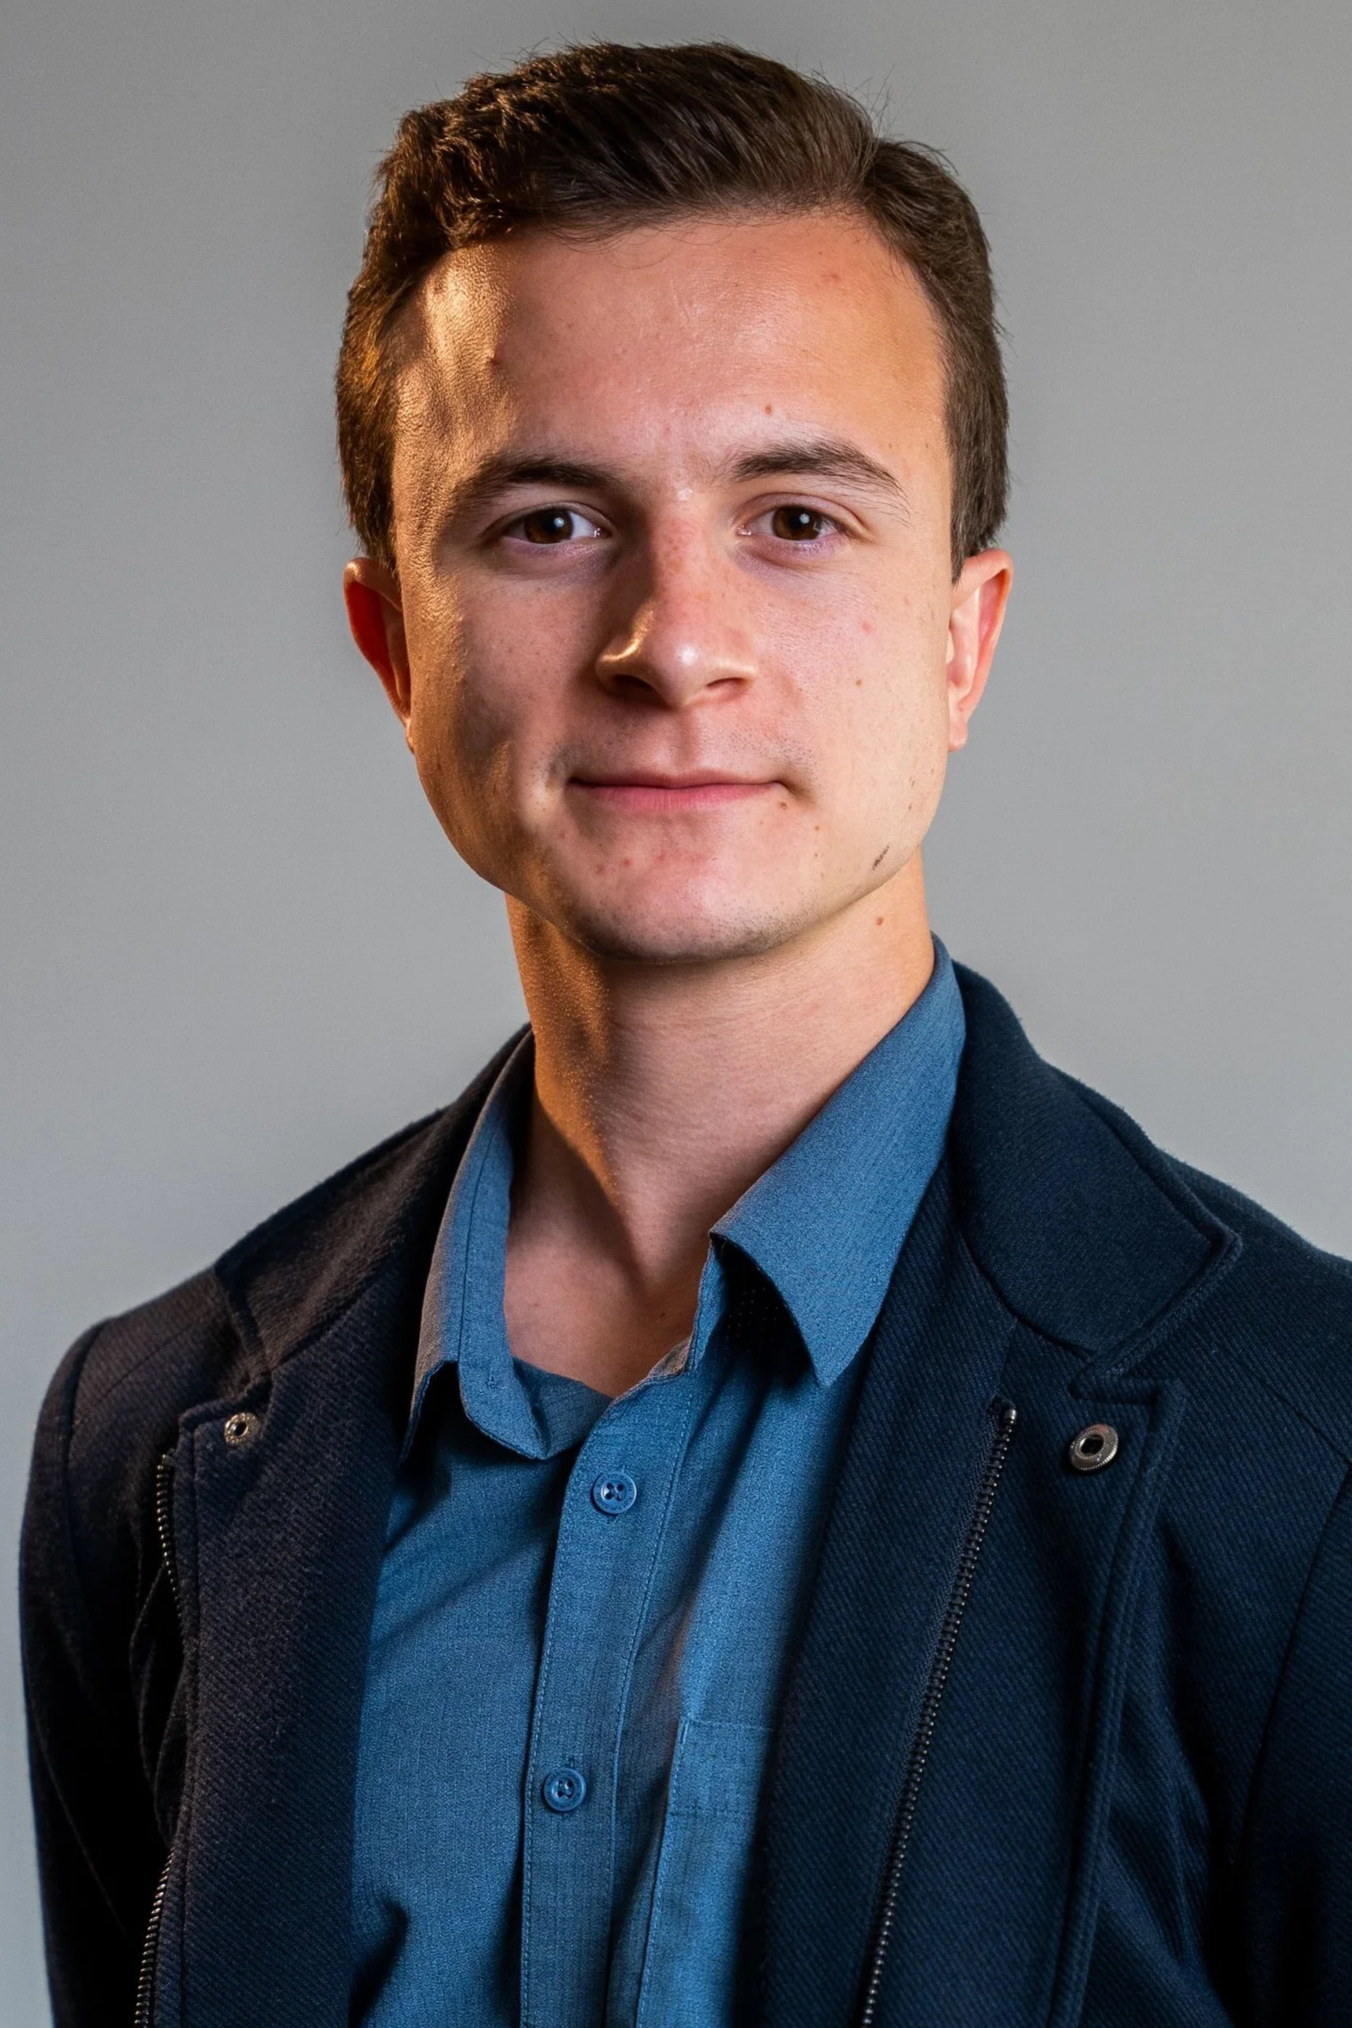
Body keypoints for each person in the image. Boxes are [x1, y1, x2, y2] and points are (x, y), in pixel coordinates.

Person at [20, 39, 1352, 2028]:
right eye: (548, 522)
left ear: (963, 637)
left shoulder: (1307, 1450)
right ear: (394, 645)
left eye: (796, 519)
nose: (672, 643)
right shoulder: (151, 1443)